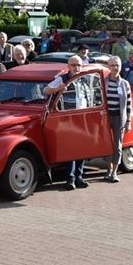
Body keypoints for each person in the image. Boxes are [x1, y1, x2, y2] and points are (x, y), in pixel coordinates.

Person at [44, 56, 89, 190]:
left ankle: (79, 176)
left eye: (78, 65)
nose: (76, 67)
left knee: (82, 148)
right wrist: (57, 89)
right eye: (73, 65)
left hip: (83, 117)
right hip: (68, 118)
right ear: (68, 66)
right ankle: (70, 179)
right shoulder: (62, 78)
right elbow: (45, 90)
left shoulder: (84, 79)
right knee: (71, 149)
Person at [104, 56, 132, 183]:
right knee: (106, 144)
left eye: (117, 65)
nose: (115, 68)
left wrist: (128, 122)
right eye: (113, 65)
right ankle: (108, 170)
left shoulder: (125, 84)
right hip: (105, 118)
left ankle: (114, 172)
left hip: (119, 118)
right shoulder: (103, 82)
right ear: (108, 66)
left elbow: (129, 104)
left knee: (117, 146)